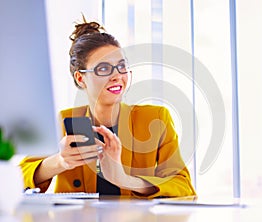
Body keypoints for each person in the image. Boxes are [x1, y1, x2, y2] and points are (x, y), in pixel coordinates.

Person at [19, 17, 196, 198]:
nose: (117, 76)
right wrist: (60, 161)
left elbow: (183, 186)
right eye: (103, 69)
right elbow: (18, 178)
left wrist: (124, 179)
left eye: (121, 66)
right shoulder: (63, 122)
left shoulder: (155, 118)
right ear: (81, 78)